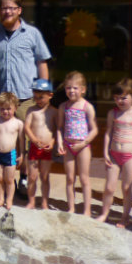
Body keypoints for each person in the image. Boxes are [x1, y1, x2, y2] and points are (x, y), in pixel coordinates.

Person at [0, 0, 51, 187]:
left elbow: (42, 62)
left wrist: (44, 94)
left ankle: (24, 179)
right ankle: (8, 180)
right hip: (2, 98)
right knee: (4, 139)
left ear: (19, 10)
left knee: (26, 141)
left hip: (26, 97)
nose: (7, 11)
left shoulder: (32, 33)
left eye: (11, 8)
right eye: (4, 8)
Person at [96, 78, 132, 227]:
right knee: (109, 187)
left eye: (124, 97)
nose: (120, 101)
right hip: (114, 154)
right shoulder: (113, 113)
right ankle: (104, 213)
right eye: (116, 98)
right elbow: (108, 133)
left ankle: (125, 216)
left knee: (126, 187)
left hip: (130, 156)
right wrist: (105, 152)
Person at [56, 71, 98, 215]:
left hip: (83, 146)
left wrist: (83, 143)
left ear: (83, 90)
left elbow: (94, 130)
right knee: (69, 178)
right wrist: (60, 142)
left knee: (84, 179)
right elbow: (60, 127)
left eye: (75, 88)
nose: (71, 91)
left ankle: (87, 210)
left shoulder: (87, 107)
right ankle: (71, 208)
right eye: (68, 88)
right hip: (68, 146)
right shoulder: (63, 107)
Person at [24, 78, 57, 210]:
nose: (38, 100)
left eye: (41, 97)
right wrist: (33, 139)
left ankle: (44, 202)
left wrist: (53, 142)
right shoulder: (31, 110)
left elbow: (57, 130)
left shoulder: (54, 112)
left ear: (50, 95)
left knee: (44, 176)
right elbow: (27, 127)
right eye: (36, 97)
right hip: (34, 147)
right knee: (32, 176)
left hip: (47, 149)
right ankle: (31, 201)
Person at [0, 92, 23, 210]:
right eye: (2, 109)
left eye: (8, 109)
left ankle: (9, 200)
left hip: (10, 154)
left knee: (9, 179)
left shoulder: (18, 123)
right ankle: (0, 199)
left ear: (15, 107)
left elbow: (21, 141)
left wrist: (22, 154)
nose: (5, 111)